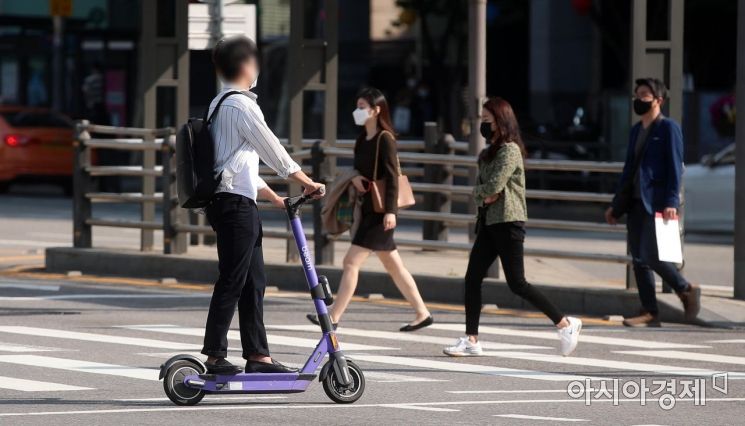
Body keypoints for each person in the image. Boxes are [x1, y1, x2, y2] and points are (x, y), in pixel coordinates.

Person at [201, 35, 325, 374]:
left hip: (232, 201)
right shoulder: (241, 105)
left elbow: (239, 164)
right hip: (234, 206)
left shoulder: (218, 103)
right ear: (244, 65)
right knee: (233, 279)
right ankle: (214, 354)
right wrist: (307, 181)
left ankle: (258, 355)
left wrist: (277, 198)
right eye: (254, 61)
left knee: (253, 280)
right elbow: (273, 150)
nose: (257, 68)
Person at [443, 97, 582, 357]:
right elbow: (486, 190)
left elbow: (494, 186)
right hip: (489, 221)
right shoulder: (490, 152)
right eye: (482, 120)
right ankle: (471, 339)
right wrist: (482, 194)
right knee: (472, 278)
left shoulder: (509, 150)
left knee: (517, 283)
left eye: (487, 121)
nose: (483, 125)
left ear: (501, 121)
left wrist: (484, 193)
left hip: (508, 222)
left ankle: (565, 324)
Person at [307, 87, 433, 332]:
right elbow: (358, 169)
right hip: (367, 208)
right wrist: (354, 178)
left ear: (376, 110)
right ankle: (422, 312)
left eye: (363, 106)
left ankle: (333, 317)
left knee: (350, 262)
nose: (358, 111)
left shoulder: (385, 138)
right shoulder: (362, 138)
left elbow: (393, 177)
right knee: (394, 266)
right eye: (358, 106)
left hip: (380, 212)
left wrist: (390, 212)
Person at [605, 78, 701, 327]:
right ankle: (650, 312)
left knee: (652, 255)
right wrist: (616, 206)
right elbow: (629, 170)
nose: (639, 99)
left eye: (645, 94)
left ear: (659, 100)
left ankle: (685, 288)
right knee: (638, 258)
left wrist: (671, 201)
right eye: (637, 94)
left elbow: (675, 167)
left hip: (657, 203)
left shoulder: (668, 128)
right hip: (635, 202)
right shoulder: (636, 130)